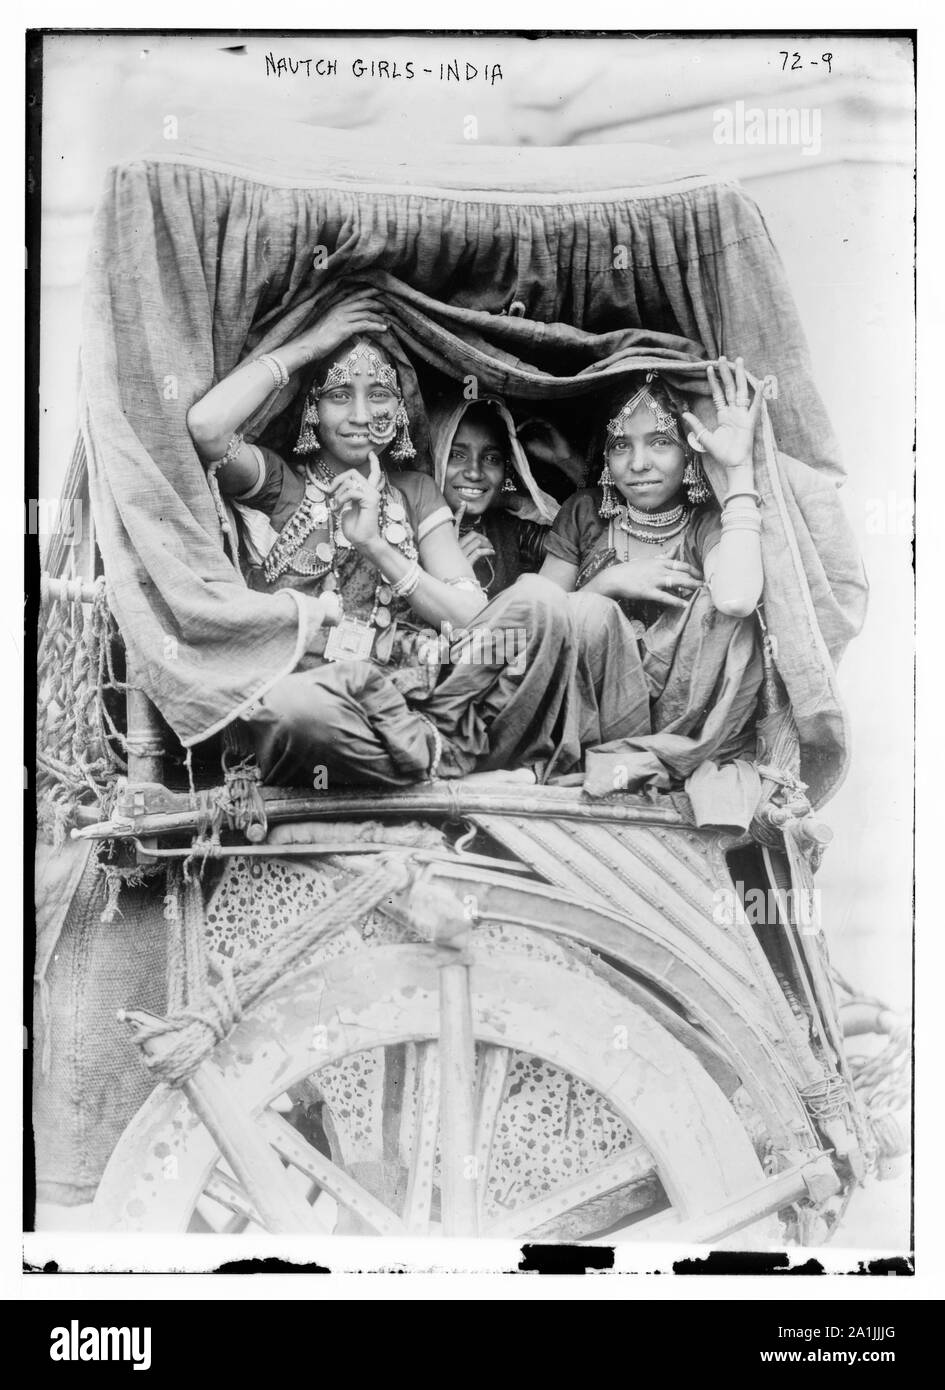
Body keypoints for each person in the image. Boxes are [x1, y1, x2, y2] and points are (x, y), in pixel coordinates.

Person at [185, 295, 584, 789]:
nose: (359, 413)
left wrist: (377, 547)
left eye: (378, 395)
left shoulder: (414, 490)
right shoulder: (282, 484)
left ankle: (426, 756)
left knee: (537, 605)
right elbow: (206, 428)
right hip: (328, 701)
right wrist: (311, 344)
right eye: (338, 395)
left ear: (398, 409)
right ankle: (440, 765)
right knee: (294, 709)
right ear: (312, 407)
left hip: (418, 691)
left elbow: (467, 615)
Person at [539, 359, 768, 798]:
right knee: (582, 610)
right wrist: (607, 584)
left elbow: (738, 601)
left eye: (660, 442)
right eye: (621, 446)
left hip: (677, 725)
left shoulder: (705, 524)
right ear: (605, 457)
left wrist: (738, 469)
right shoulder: (585, 513)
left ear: (689, 451)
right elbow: (533, 623)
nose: (638, 463)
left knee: (721, 611)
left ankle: (640, 762)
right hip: (585, 719)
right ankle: (596, 763)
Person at [429, 395, 558, 598]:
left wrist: (566, 460)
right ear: (435, 456)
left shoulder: (513, 531)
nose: (474, 472)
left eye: (491, 458)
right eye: (456, 455)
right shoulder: (405, 531)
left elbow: (579, 548)